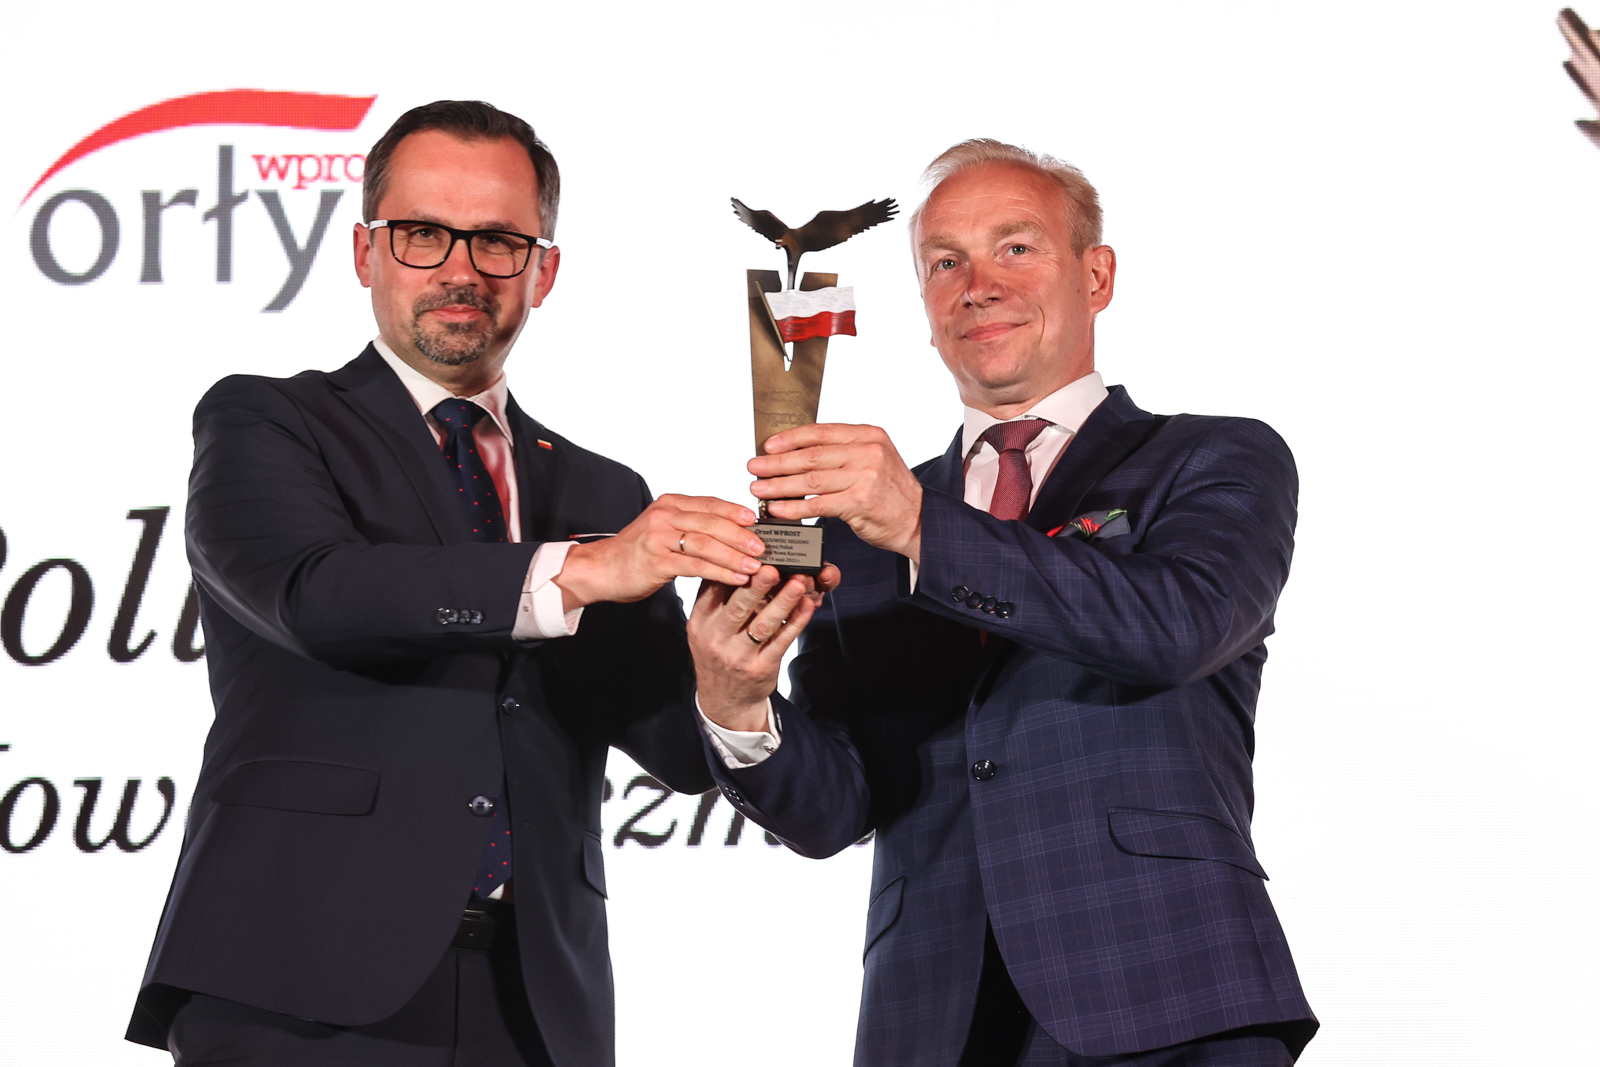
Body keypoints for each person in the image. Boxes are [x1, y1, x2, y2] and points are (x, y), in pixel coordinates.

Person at [126, 100, 771, 1067]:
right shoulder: (267, 421)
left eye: (499, 241)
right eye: (423, 234)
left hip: (535, 1001)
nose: (460, 268)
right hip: (296, 986)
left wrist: (739, 658)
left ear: (544, 270)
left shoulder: (602, 491)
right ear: (366, 252)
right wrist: (583, 568)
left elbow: (676, 744)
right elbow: (318, 595)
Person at [689, 140, 1319, 1067]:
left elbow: (1175, 625)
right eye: (945, 262)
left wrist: (921, 526)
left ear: (1096, 276)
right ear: (925, 307)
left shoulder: (1214, 457)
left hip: (1167, 992)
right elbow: (836, 808)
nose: (978, 286)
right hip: (932, 1018)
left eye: (1015, 248)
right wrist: (737, 702)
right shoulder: (857, 530)